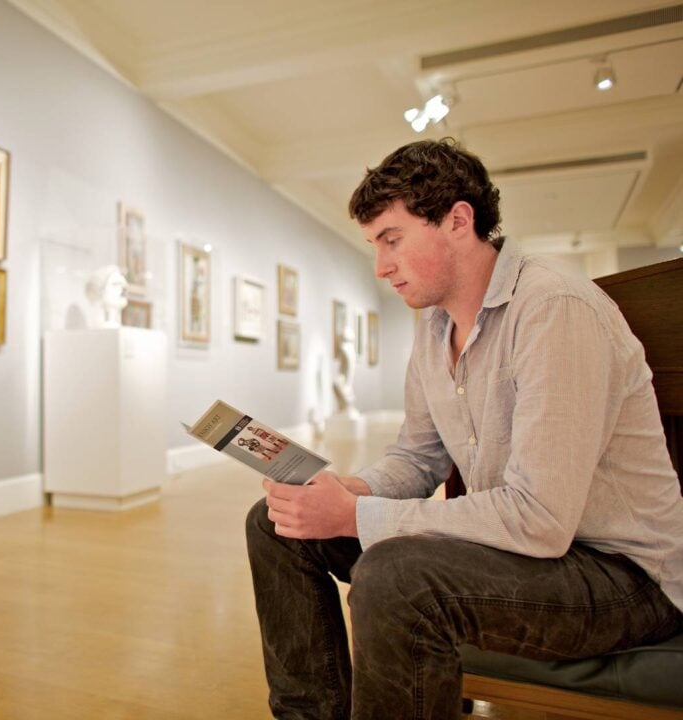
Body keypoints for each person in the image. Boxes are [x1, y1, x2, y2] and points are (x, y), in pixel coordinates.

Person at [245, 138, 683, 719]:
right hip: (527, 553)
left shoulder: (556, 310)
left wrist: (355, 518)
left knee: (395, 576)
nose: (381, 267)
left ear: (457, 220)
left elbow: (542, 519)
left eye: (392, 240)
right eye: (373, 245)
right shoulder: (433, 329)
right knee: (278, 524)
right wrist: (356, 491)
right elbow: (418, 457)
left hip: (623, 575)